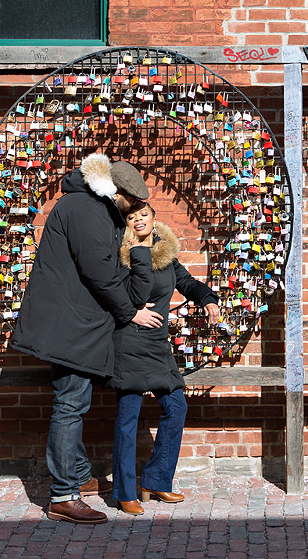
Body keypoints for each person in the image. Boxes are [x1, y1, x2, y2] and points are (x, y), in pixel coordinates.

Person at [11, 153, 160, 525]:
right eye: (134, 204)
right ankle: (63, 496)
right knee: (70, 404)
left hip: (76, 321)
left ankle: (76, 476)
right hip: (70, 323)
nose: (136, 211)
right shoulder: (87, 210)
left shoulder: (86, 206)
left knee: (73, 399)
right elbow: (100, 273)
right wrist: (130, 312)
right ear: (119, 194)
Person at [109, 201, 221, 516]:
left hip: (157, 344)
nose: (139, 219)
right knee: (128, 415)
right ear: (127, 224)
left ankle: (156, 479)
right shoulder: (122, 255)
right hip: (129, 341)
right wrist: (133, 311)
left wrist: (207, 299)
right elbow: (121, 295)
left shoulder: (165, 254)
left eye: (143, 214)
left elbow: (185, 282)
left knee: (176, 406)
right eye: (132, 217)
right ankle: (124, 492)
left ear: (154, 218)